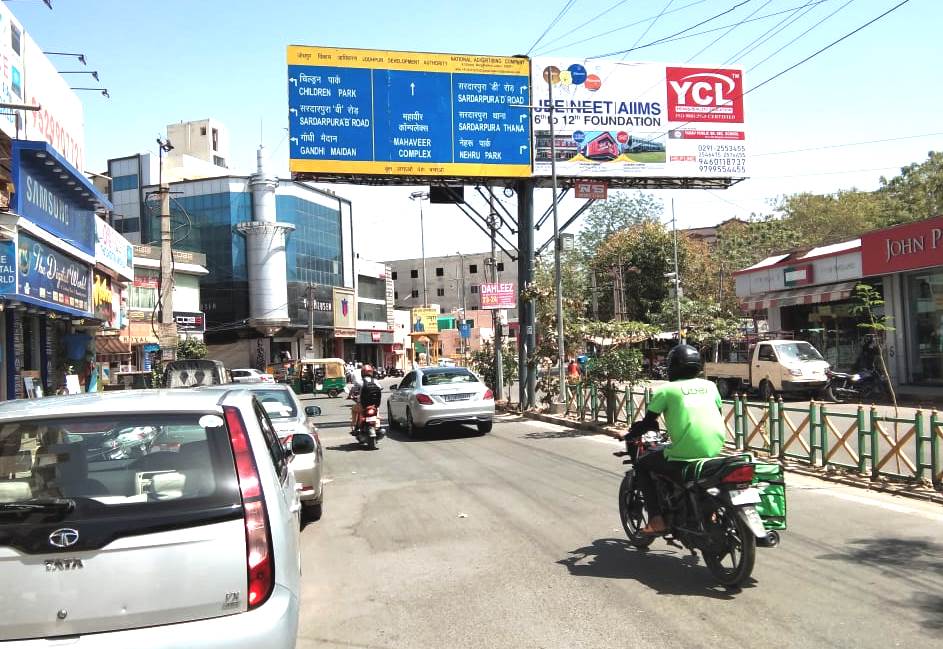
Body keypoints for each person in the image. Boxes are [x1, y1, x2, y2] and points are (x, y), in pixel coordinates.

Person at [618, 344, 725, 534]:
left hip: (685, 453)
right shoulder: (710, 386)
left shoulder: (667, 390)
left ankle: (657, 519)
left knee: (643, 464)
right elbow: (716, 413)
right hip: (715, 449)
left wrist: (628, 434)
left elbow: (649, 423)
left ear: (672, 366)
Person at [350, 364, 383, 434]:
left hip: (363, 405)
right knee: (377, 410)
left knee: (353, 409)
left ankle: (354, 426)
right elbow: (380, 388)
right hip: (374, 405)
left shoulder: (359, 382)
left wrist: (351, 395)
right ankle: (378, 425)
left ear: (362, 373)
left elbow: (353, 390)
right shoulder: (375, 381)